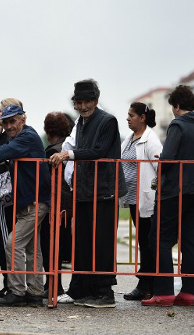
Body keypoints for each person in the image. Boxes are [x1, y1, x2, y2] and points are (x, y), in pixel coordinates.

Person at [50, 79, 126, 308]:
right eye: (79, 102)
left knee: (101, 242)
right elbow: (75, 147)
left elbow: (99, 151)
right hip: (84, 190)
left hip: (103, 191)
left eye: (87, 102)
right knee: (82, 242)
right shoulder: (81, 122)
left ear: (96, 100)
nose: (83, 106)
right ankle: (81, 289)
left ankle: (104, 292)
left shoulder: (108, 121)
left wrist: (68, 156)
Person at [143, 85, 194, 306]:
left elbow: (169, 157)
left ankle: (164, 291)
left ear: (177, 105)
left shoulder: (178, 125)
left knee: (160, 238)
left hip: (175, 189)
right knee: (189, 240)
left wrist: (160, 161)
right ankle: (189, 291)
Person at [0, 105, 51, 306]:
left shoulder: (27, 137)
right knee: (31, 249)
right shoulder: (21, 137)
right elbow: (5, 151)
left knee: (13, 244)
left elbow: (2, 151)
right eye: (6, 122)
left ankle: (17, 292)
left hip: (34, 202)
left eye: (13, 121)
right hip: (29, 202)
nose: (9, 126)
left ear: (23, 119)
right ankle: (35, 292)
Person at [120, 103, 162, 301]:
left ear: (142, 117)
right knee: (143, 241)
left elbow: (160, 168)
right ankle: (146, 283)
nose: (128, 118)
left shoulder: (151, 140)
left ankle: (147, 284)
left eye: (131, 115)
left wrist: (151, 189)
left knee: (147, 242)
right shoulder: (129, 139)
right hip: (133, 199)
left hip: (146, 199)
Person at [0, 98, 22, 298]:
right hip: (2, 187)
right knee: (0, 237)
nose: (0, 117)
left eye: (2, 112)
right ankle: (8, 281)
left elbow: (0, 154)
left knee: (3, 237)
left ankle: (11, 282)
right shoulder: (5, 133)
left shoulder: (15, 133)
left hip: (6, 190)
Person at [41, 111, 73, 297]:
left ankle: (52, 286)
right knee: (58, 248)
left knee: (50, 247)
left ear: (48, 130)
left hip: (54, 205)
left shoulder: (53, 152)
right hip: (67, 205)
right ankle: (55, 286)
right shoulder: (65, 149)